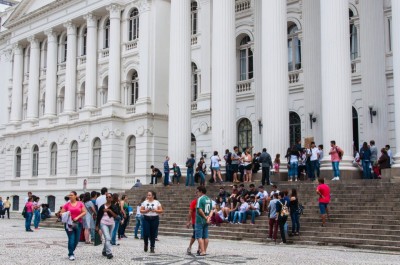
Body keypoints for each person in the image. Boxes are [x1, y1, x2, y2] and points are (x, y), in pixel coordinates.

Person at [60, 191, 87, 261]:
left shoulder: (80, 203)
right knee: (71, 239)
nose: (70, 196)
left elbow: (84, 212)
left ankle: (71, 250)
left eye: (71, 195)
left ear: (75, 196)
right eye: (69, 195)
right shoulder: (67, 204)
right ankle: (71, 254)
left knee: (77, 240)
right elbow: (61, 213)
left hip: (78, 223)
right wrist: (66, 214)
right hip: (69, 224)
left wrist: (78, 217)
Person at [96, 193, 118, 259]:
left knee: (108, 238)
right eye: (107, 197)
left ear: (112, 198)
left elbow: (116, 216)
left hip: (111, 224)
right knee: (107, 238)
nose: (108, 198)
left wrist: (109, 210)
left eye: (109, 197)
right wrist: (97, 225)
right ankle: (109, 253)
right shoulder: (102, 206)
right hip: (103, 223)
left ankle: (104, 251)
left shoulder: (114, 206)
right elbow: (98, 216)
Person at [195, 186, 212, 256]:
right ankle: (204, 250)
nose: (197, 193)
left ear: (201, 191)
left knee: (199, 237)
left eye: (198, 191)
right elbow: (211, 210)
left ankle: (202, 251)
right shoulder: (209, 199)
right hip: (207, 220)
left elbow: (199, 209)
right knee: (206, 236)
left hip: (200, 219)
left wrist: (205, 217)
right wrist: (208, 218)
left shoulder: (200, 199)